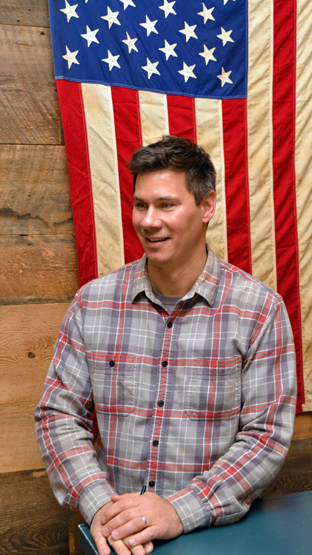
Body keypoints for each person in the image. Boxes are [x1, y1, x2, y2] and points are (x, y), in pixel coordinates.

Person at [35, 136, 297, 555]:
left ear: (207, 206)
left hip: (214, 537)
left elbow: (266, 437)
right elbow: (58, 415)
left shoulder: (259, 310)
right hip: (116, 540)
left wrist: (179, 511)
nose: (149, 221)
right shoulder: (93, 303)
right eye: (141, 205)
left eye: (166, 205)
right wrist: (100, 504)